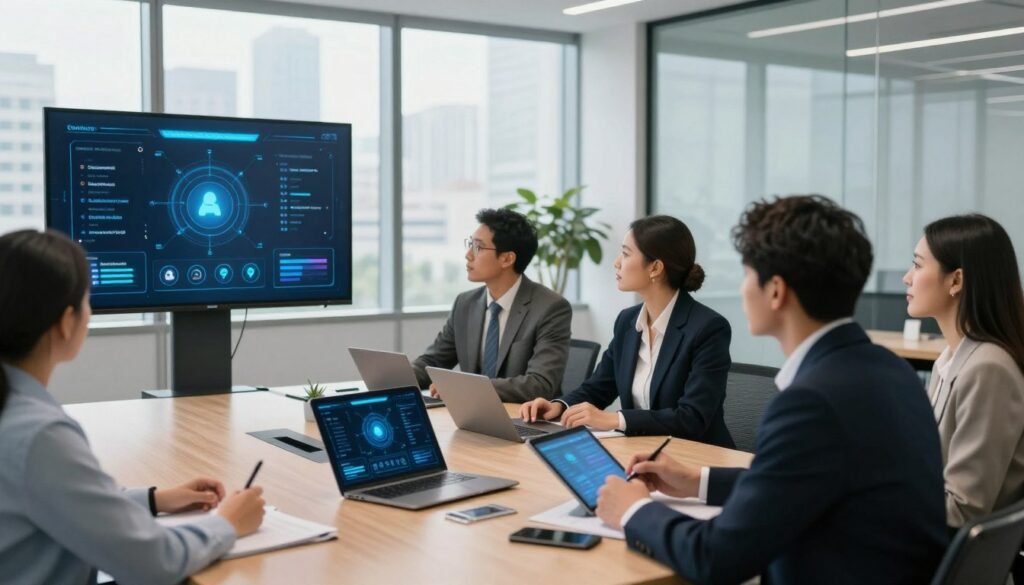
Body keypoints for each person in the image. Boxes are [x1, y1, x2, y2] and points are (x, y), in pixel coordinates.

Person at [595, 196, 948, 585]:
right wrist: (697, 480)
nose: (744, 289)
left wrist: (633, 512)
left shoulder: (811, 402)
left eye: (747, 275)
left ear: (775, 291)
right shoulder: (891, 370)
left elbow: (716, 558)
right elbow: (798, 483)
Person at [0, 230, 265, 585]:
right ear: (66, 323)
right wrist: (227, 523)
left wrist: (155, 499)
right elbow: (154, 563)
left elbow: (60, 497)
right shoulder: (39, 436)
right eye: (87, 302)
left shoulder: (14, 413)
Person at [521, 215, 733, 446]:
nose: (617, 262)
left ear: (655, 268)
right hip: (642, 450)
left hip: (696, 457)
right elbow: (600, 386)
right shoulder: (628, 321)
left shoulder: (707, 328)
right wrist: (559, 406)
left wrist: (615, 419)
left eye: (625, 253)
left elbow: (692, 418)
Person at [903, 214, 1024, 529]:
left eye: (917, 265)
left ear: (956, 281)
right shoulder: (950, 359)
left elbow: (964, 510)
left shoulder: (988, 368)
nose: (907, 277)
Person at [412, 208, 572, 403]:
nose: (468, 255)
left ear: (507, 258)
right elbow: (433, 362)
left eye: (478, 247)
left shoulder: (550, 308)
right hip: (473, 415)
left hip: (525, 420)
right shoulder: (465, 303)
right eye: (470, 245)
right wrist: (392, 379)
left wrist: (466, 387)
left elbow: (539, 384)